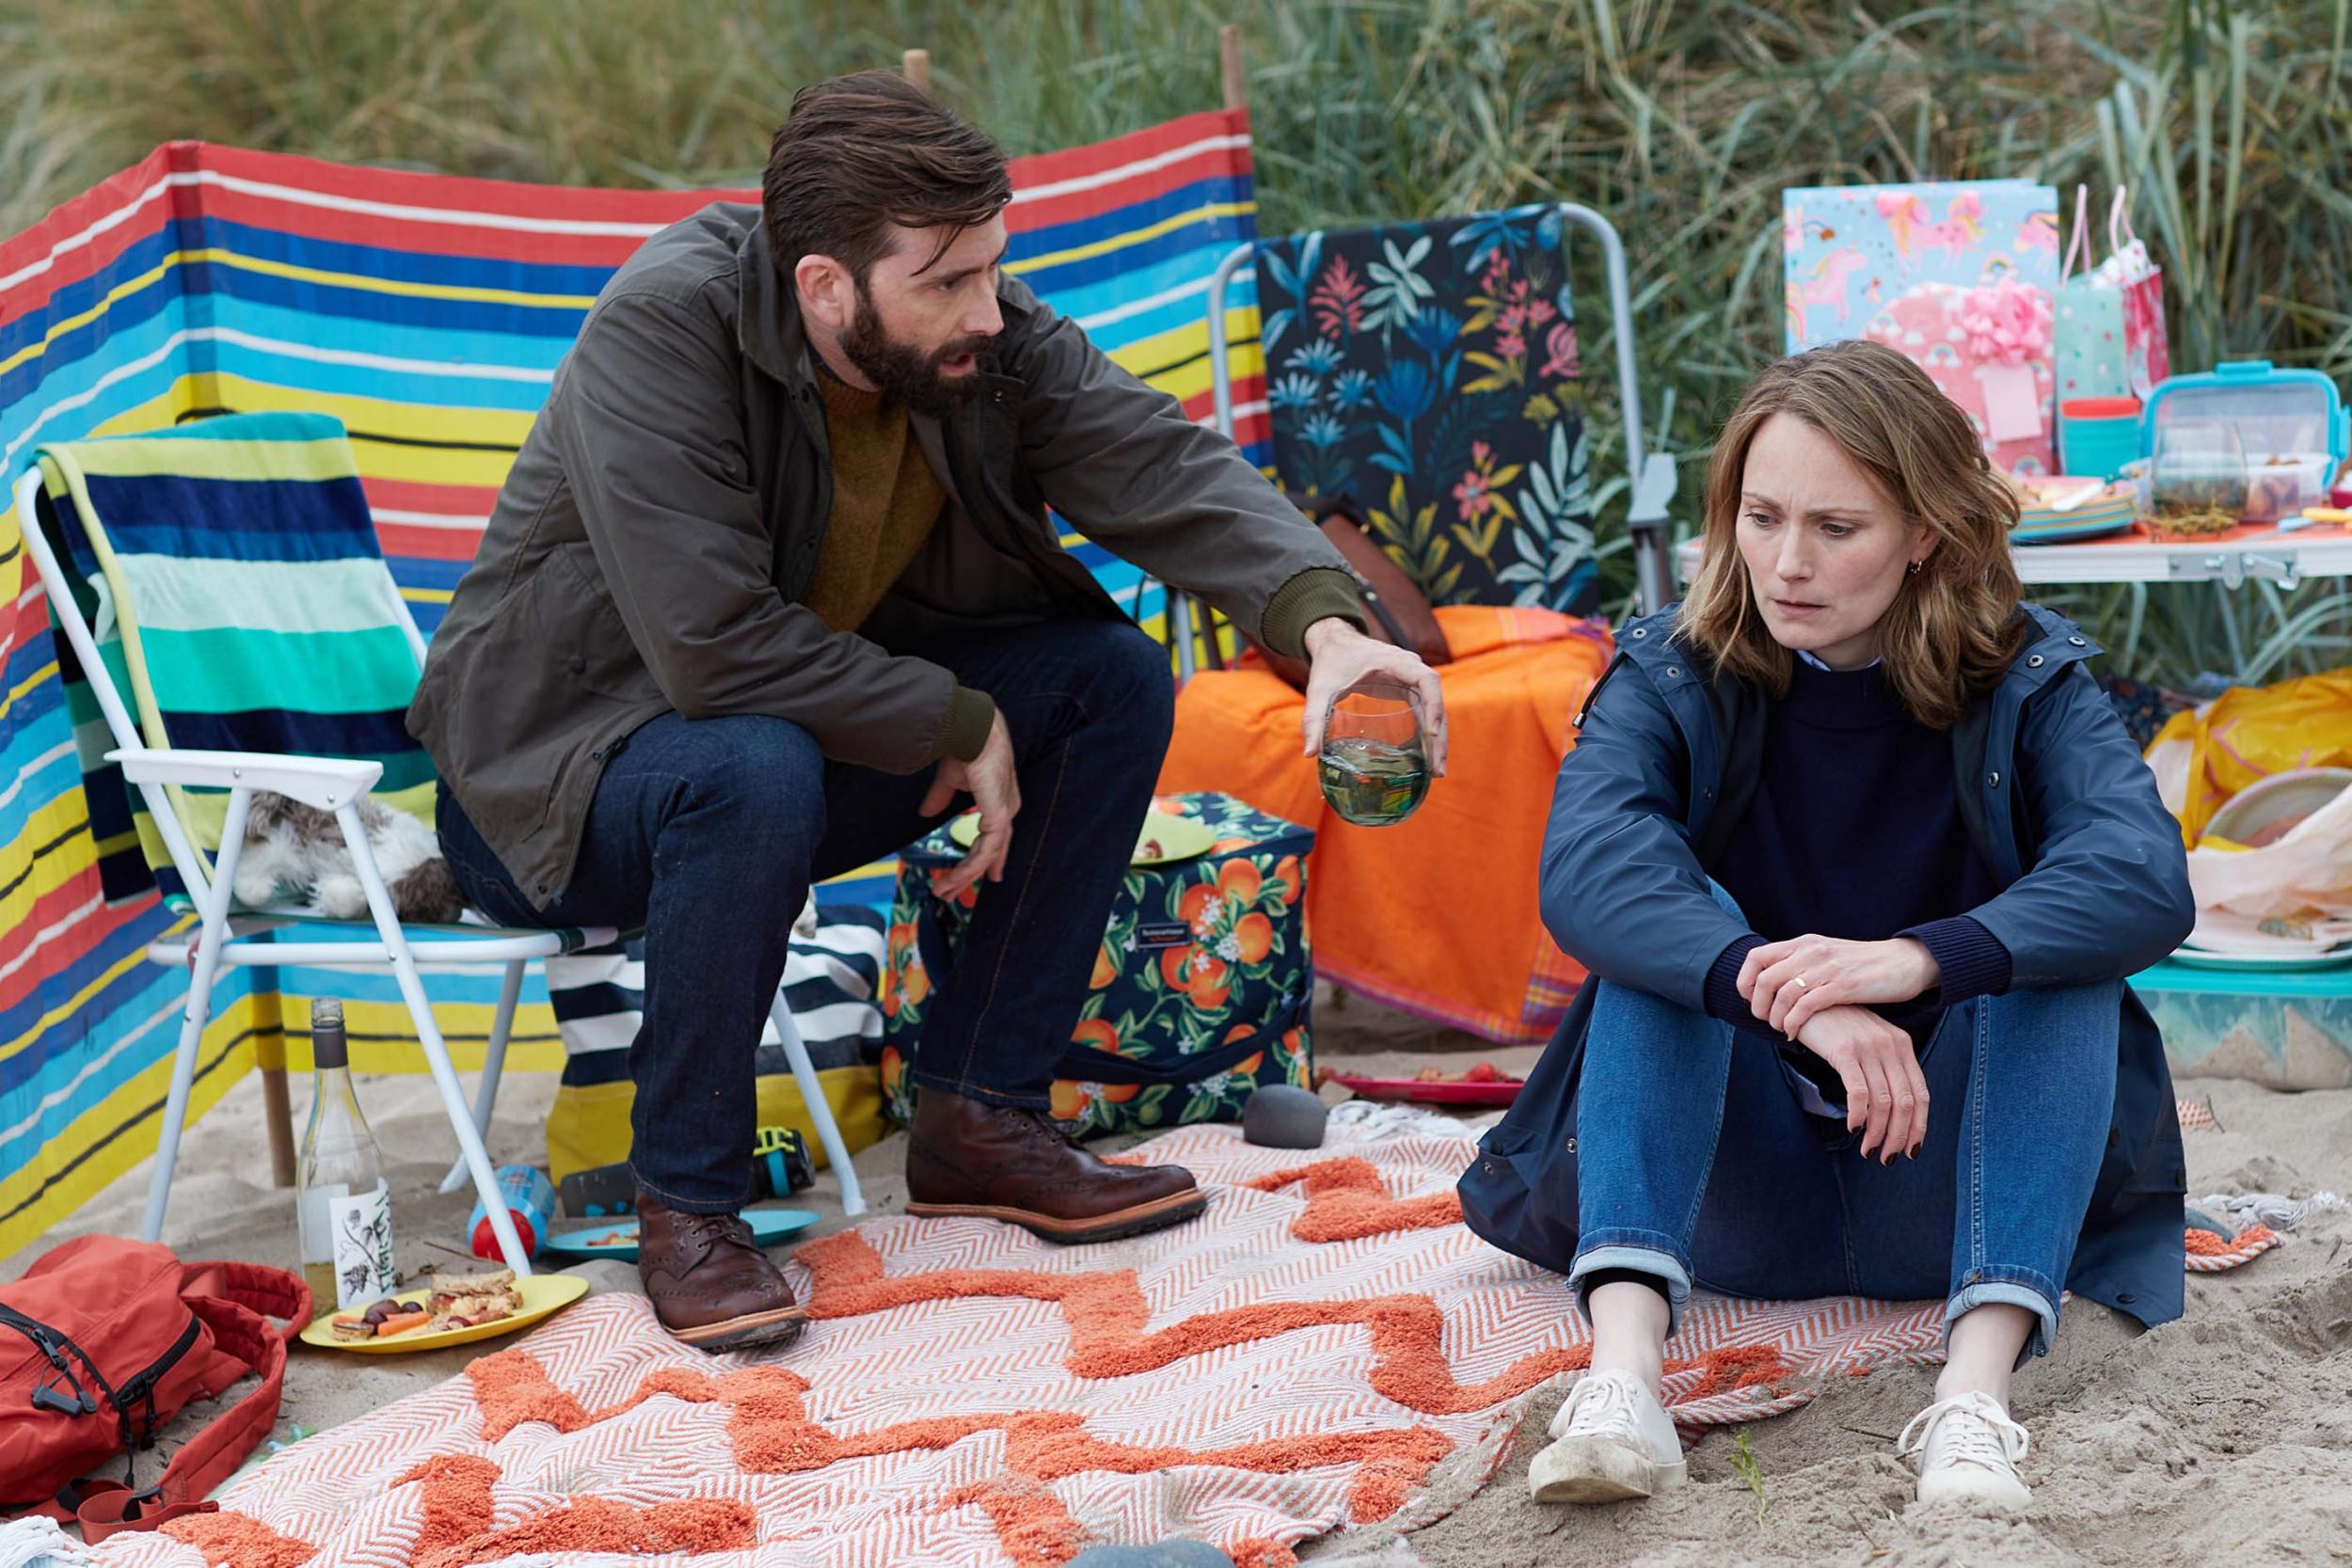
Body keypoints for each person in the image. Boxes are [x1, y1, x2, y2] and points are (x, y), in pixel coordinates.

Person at [409, 71, 1445, 1354]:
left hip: (776, 747)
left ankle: (977, 1115)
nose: (988, 308)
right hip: (551, 785)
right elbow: (713, 647)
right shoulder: (662, 326)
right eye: (948, 279)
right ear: (825, 287)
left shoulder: (975, 337)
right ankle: (689, 1204)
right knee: (752, 762)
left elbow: (1156, 460)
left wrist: (1331, 630)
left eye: (994, 269)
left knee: (1103, 679)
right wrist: (950, 715)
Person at [1457, 340, 2193, 1509]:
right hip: (1720, 1190)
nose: (1786, 564)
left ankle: (1971, 1399)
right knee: (1675, 928)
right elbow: (1589, 870)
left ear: (1925, 535)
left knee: (2052, 955)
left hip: (1951, 1193)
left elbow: (2141, 875)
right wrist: (1788, 983)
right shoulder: (1669, 670)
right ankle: (1624, 1378)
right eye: (1760, 517)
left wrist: (1918, 956)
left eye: (1835, 528)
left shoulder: (2026, 678)